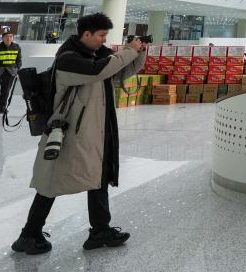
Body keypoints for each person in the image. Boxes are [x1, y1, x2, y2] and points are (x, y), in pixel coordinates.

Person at [11, 15, 146, 256]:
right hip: (71, 134)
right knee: (51, 182)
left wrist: (139, 52)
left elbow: (118, 72)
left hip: (93, 132)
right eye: (101, 35)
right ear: (86, 34)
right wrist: (128, 51)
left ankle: (100, 230)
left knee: (98, 178)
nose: (104, 40)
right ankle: (29, 234)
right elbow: (98, 71)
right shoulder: (69, 59)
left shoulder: (95, 55)